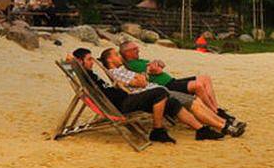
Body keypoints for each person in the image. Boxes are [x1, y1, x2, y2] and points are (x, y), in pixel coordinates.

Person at [71, 47, 210, 143]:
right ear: (79, 61)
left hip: (126, 98)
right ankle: (157, 130)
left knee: (171, 102)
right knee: (160, 92)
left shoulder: (90, 74)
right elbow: (70, 62)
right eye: (89, 60)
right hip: (122, 104)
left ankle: (201, 130)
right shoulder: (83, 74)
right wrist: (73, 60)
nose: (92, 62)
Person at [100, 47, 241, 139]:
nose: (120, 57)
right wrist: (140, 77)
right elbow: (141, 82)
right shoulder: (117, 72)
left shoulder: (123, 70)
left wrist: (140, 77)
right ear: (109, 60)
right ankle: (225, 127)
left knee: (195, 102)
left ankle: (223, 125)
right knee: (194, 103)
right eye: (116, 55)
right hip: (156, 94)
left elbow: (141, 78)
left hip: (159, 92)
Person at [119, 40, 234, 122]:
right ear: (127, 52)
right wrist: (154, 67)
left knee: (205, 78)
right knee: (198, 85)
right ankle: (215, 112)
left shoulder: (139, 60)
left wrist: (156, 65)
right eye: (134, 49)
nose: (138, 50)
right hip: (167, 86)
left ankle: (216, 108)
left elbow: (160, 65)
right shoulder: (132, 64)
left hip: (172, 81)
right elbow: (155, 70)